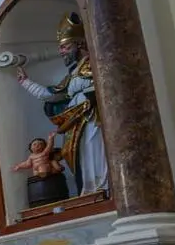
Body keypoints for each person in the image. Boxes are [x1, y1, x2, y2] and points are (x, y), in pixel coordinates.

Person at [16, 12, 108, 196]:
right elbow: (51, 96)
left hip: (94, 119)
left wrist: (88, 98)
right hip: (76, 125)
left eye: (65, 47)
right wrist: (26, 82)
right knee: (80, 155)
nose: (61, 51)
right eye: (61, 48)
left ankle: (104, 187)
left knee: (96, 151)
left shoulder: (96, 65)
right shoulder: (72, 76)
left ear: (79, 44)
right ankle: (89, 190)